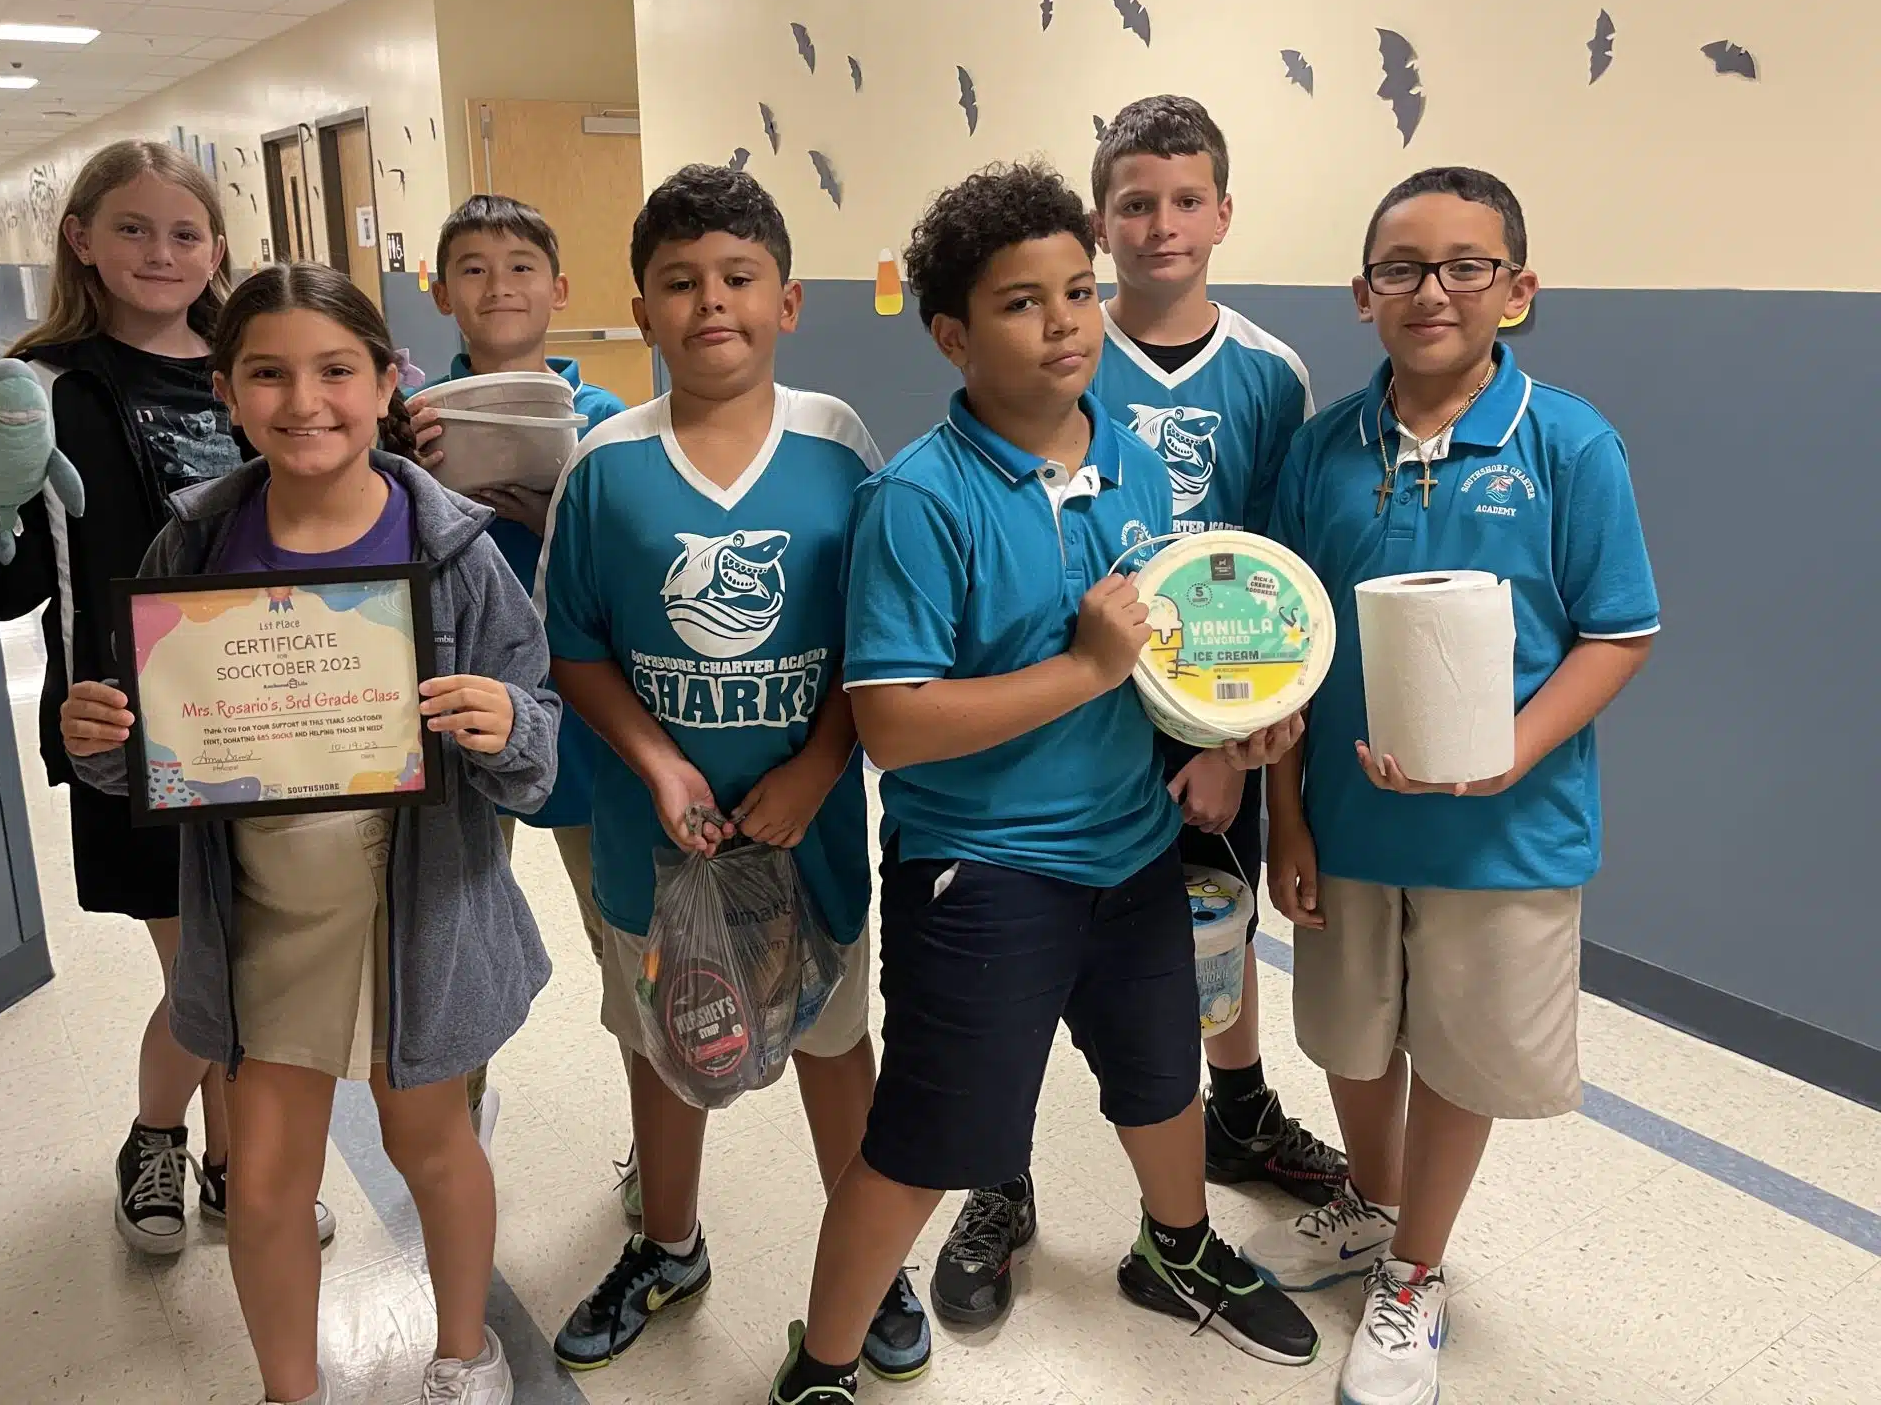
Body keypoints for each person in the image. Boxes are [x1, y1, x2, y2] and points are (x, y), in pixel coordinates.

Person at [767, 162, 1318, 1405]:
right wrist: (1081, 669)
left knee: (1160, 1080)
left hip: (1131, 850)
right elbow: (894, 727)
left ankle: (1174, 1249)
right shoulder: (918, 498)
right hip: (981, 874)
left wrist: (1226, 734)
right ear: (951, 335)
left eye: (1076, 290)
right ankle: (822, 1364)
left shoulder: (1133, 465)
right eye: (1021, 303)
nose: (1065, 322)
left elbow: (1155, 666)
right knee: (924, 1144)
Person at [60, 262, 560, 1405]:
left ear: (386, 383)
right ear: (226, 395)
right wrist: (100, 738)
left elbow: (537, 736)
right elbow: (149, 738)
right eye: (267, 375)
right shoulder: (193, 548)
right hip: (263, 911)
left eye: (336, 371)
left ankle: (463, 1351)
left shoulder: (454, 551)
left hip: (416, 906)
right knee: (269, 1176)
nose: (304, 402)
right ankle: (290, 1389)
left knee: (432, 1144)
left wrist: (505, 723)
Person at [0, 139, 333, 1257]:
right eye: (132, 228)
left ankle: (222, 1159)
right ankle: (169, 1142)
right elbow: (1, 576)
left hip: (281, 718)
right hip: (131, 734)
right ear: (80, 239)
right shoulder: (42, 390)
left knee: (259, 968)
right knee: (207, 974)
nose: (160, 252)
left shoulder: (263, 365)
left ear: (217, 249)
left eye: (185, 232)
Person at [928, 95, 1343, 1330]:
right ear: (1100, 223)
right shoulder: (1057, 342)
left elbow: (1275, 575)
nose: (1161, 225)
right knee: (1028, 950)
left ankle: (1237, 1112)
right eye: (1133, 203)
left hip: (1212, 707)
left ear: (1223, 213)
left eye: (1185, 200)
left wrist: (1229, 749)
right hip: (1064, 708)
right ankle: (996, 1181)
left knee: (1207, 930)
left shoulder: (1268, 373)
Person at [1247, 167, 1657, 1405]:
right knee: (1352, 1035)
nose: (1430, 291)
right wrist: (1286, 816)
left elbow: (1616, 632)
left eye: (1464, 266)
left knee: (1461, 1053)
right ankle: (1373, 1208)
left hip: (1502, 834)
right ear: (1359, 293)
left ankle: (1413, 1271)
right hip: (1346, 823)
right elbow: (1287, 644)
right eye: (1400, 269)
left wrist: (1509, 753)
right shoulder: (1320, 450)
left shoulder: (1566, 443)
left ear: (1514, 289)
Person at [537, 164, 929, 1381]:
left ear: (787, 302)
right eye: (679, 283)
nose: (711, 302)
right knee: (666, 1044)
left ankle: (871, 1267)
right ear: (641, 311)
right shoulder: (604, 465)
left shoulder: (840, 450)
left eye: (738, 278)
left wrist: (819, 763)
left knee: (832, 1041)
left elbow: (879, 641)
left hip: (807, 836)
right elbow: (574, 646)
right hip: (656, 843)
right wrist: (656, 760)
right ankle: (666, 1243)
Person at [403, 194, 630, 1186]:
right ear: (441, 291)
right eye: (474, 269)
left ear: (559, 288)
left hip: (585, 712)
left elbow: (635, 572)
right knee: (452, 939)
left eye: (521, 266)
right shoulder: (410, 422)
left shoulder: (609, 423)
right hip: (458, 707)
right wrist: (414, 483)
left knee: (620, 932)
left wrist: (553, 519)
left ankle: (655, 1132)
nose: (499, 287)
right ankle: (452, 1136)